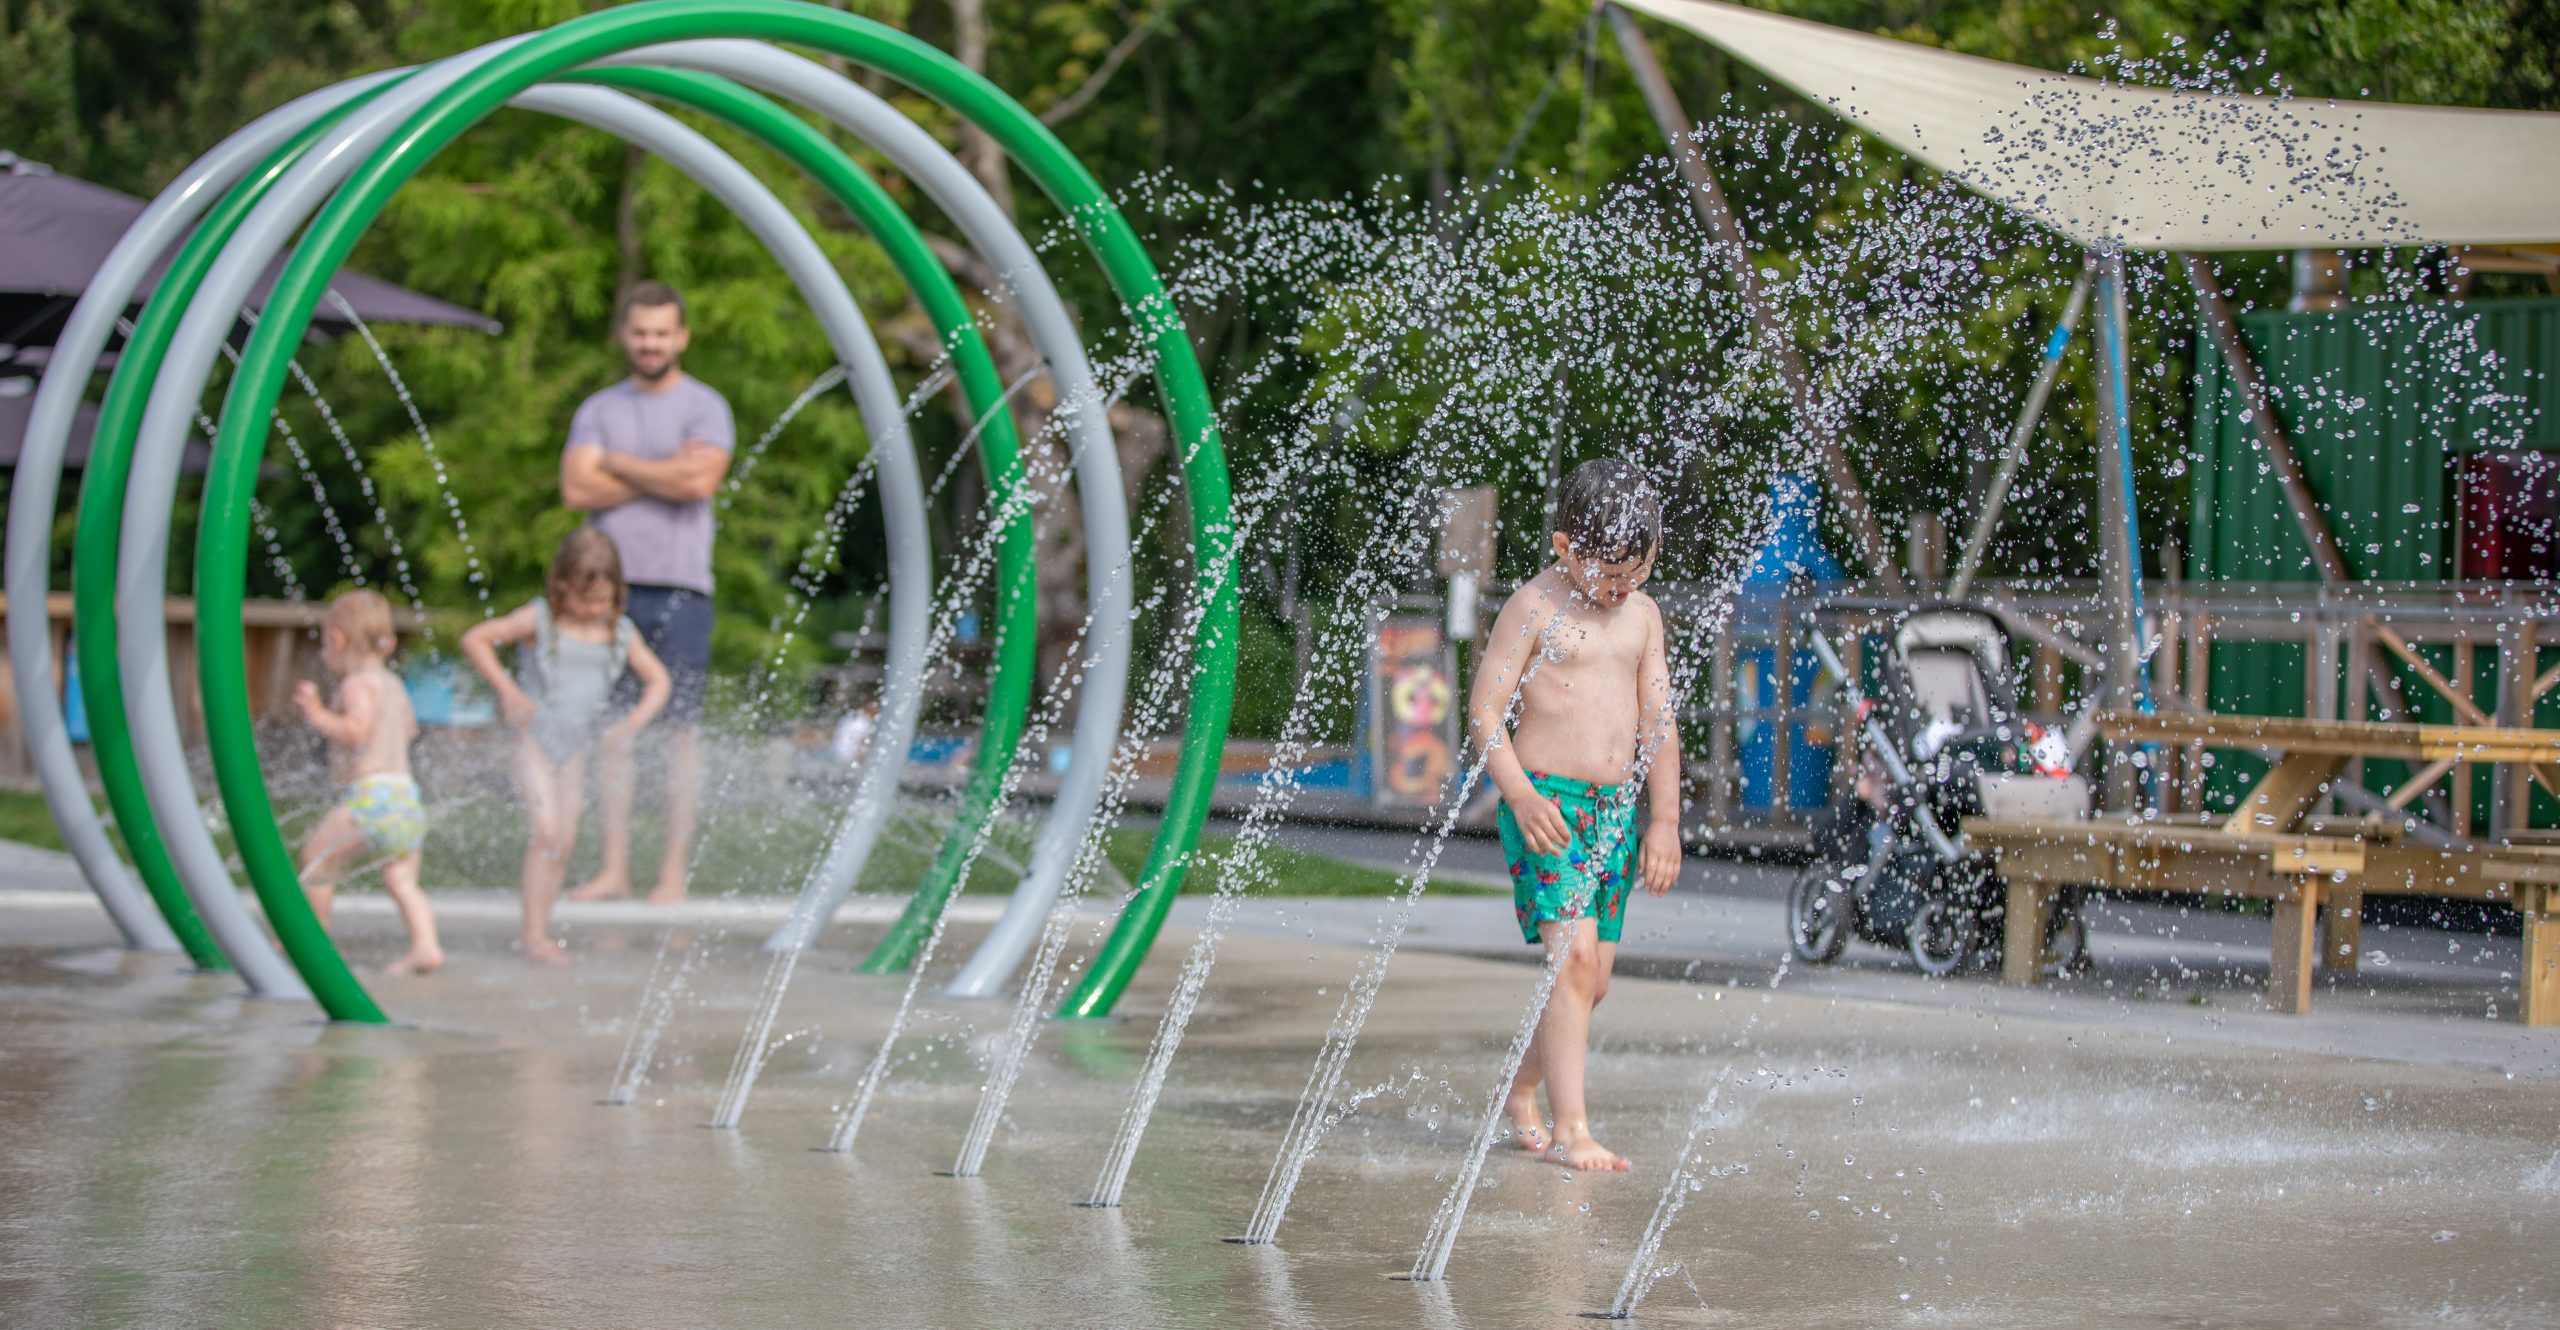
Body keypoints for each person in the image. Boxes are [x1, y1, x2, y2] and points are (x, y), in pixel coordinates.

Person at [1466, 458, 1683, 1173]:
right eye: (1607, 574)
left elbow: (1660, 723)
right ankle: (1573, 1130)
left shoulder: (1642, 617)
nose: (1620, 589)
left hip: (1617, 813)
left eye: (1637, 572)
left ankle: (1520, 1088)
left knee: (1593, 981)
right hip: (1547, 806)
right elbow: (1485, 715)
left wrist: (1664, 821)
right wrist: (1520, 794)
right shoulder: (1535, 607)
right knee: (1576, 963)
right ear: (1565, 548)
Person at [558, 280, 732, 905]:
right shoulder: (599, 408)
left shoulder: (706, 407)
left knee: (678, 733)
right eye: (640, 332)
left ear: (681, 336)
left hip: (684, 587)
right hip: (607, 593)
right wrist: (664, 471)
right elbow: (577, 491)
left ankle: (670, 876)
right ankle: (613, 871)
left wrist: (618, 464)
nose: (650, 343)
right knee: (610, 732)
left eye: (662, 332)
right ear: (623, 335)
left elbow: (700, 481)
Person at [461, 530, 672, 964]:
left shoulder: (619, 633)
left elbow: (660, 681)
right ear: (560, 586)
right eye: (585, 600)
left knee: (565, 841)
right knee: (546, 832)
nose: (595, 609)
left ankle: (539, 928)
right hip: (533, 743)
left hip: (573, 751)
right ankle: (532, 935)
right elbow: (476, 639)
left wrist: (630, 726)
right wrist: (508, 691)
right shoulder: (540, 621)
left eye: (603, 601)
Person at [293, 589, 441, 975]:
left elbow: (357, 731)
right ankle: (425, 946)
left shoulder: (356, 683)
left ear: (337, 640)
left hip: (370, 798)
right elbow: (408, 729)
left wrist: (317, 713)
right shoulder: (393, 684)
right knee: (403, 881)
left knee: (317, 862)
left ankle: (314, 939)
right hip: (406, 798)